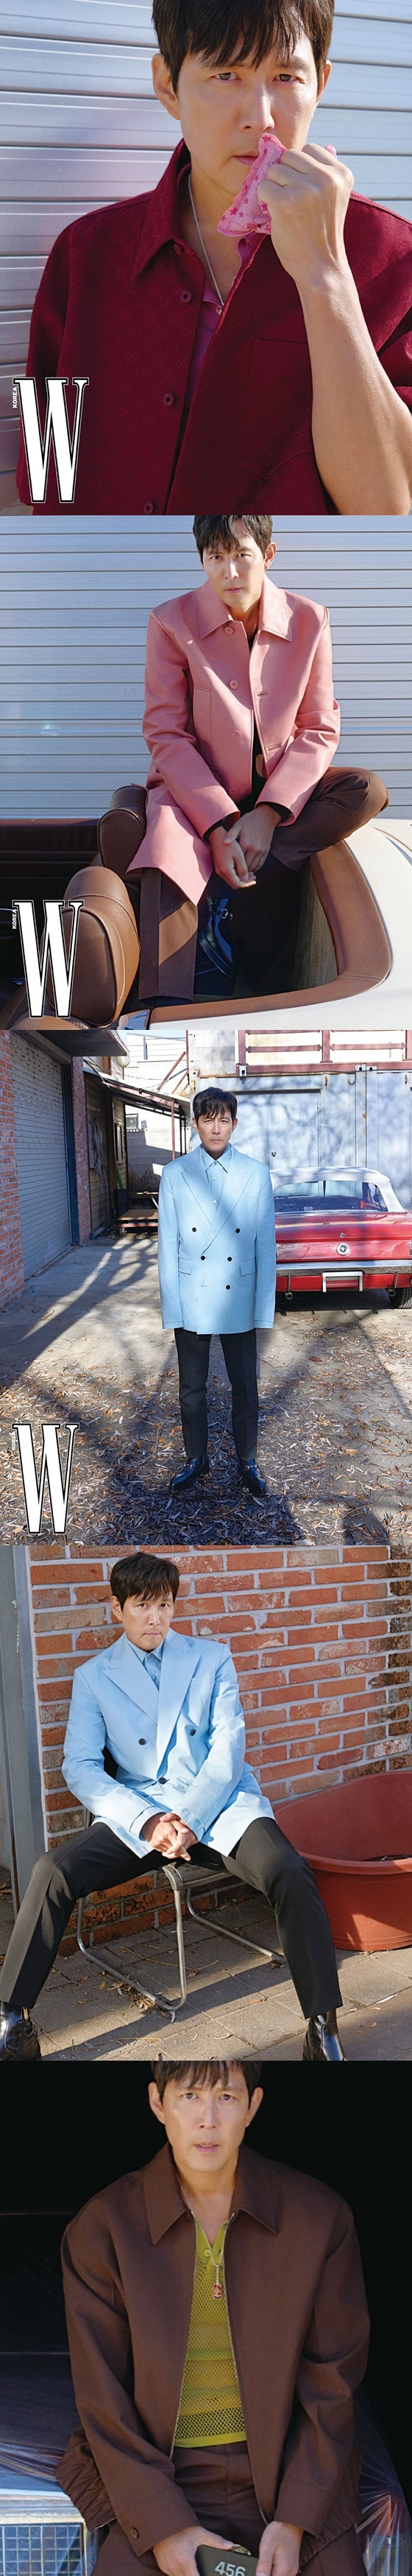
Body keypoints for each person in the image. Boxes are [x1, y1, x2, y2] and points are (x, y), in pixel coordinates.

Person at [15, 0, 412, 515]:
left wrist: (326, 275)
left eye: (286, 77)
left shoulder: (391, 258)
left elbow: (385, 507)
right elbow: (45, 471)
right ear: (168, 85)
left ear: (321, 84)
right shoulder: (86, 253)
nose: (261, 119)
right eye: (226, 75)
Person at [0, 1553, 345, 2064]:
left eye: (164, 1605)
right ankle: (13, 2021)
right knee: (52, 1870)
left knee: (290, 1872)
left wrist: (190, 1820)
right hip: (142, 1813)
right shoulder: (94, 1677)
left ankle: (322, 2026)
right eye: (142, 1606)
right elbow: (81, 1766)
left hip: (218, 1807)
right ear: (117, 1608)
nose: (156, 1618)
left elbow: (228, 1749)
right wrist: (146, 1820)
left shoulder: (212, 1658)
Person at [54, 2057, 370, 2576]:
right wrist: (162, 2525)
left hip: (289, 2468)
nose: (208, 2120)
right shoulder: (105, 2227)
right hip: (160, 2473)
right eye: (189, 2096)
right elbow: (102, 2398)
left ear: (252, 2107)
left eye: (226, 2097)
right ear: (158, 2103)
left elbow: (331, 2382)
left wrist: (297, 2517)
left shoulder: (318, 2217)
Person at [133, 514, 388, 997]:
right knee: (168, 853)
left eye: (242, 555)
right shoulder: (170, 621)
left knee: (365, 790)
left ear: (268, 555)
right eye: (216, 557)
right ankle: (165, 1004)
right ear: (202, 561)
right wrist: (218, 827)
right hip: (197, 790)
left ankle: (260, 873)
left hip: (279, 786)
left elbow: (319, 726)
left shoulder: (309, 619)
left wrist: (268, 817)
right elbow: (166, 734)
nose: (230, 571)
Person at [157, 1084, 275, 1497]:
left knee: (246, 1388)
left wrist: (263, 1309)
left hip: (237, 1294)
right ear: (195, 1124)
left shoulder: (255, 1173)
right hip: (193, 1294)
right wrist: (172, 1308)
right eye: (208, 1120)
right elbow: (168, 1246)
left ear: (234, 1124)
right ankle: (196, 1459)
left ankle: (247, 1461)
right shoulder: (175, 1174)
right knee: (191, 1390)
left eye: (224, 1120)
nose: (216, 1128)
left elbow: (265, 1247)